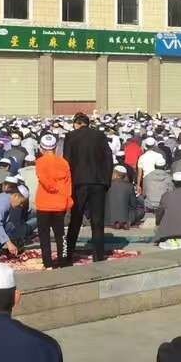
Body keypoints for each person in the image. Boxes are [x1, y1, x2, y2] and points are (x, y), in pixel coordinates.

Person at [63, 113, 113, 265]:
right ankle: (98, 256)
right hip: (98, 182)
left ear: (76, 124)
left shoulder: (71, 136)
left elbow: (67, 161)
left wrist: (68, 185)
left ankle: (69, 254)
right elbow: (108, 159)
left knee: (76, 219)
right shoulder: (100, 136)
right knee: (97, 221)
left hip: (79, 183)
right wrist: (106, 182)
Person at [34, 133, 72, 269]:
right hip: (60, 203)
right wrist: (68, 201)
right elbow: (68, 185)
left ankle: (48, 262)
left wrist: (53, 186)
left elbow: (44, 181)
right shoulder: (64, 163)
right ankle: (63, 260)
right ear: (55, 148)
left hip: (44, 204)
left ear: (41, 148)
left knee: (44, 236)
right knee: (61, 235)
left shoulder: (39, 162)